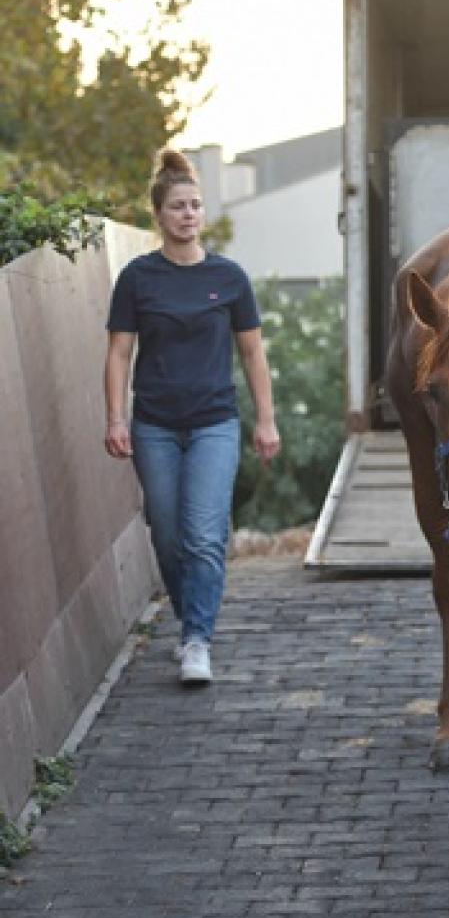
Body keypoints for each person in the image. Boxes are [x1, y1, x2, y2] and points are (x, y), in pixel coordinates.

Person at [103, 148, 280, 687]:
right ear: (158, 214)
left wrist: (266, 420)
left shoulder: (229, 277)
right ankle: (190, 617)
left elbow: (253, 353)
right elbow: (119, 353)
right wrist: (116, 418)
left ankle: (197, 638)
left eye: (195, 206)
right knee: (167, 536)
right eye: (178, 206)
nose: (188, 215)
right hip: (154, 424)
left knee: (203, 535)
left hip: (214, 424)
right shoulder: (138, 278)